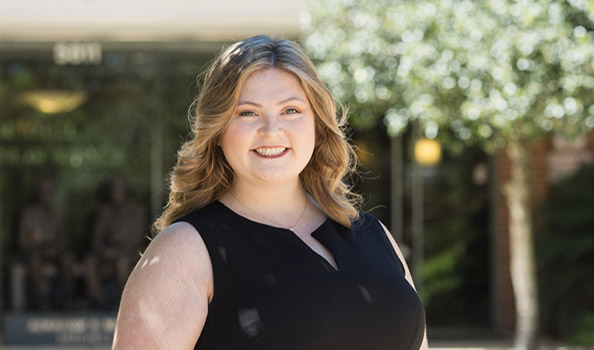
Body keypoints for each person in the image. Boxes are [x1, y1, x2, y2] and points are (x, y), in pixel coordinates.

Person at [113, 35, 428, 349]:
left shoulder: (374, 235)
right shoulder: (185, 251)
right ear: (218, 131)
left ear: (317, 125)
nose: (271, 130)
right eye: (247, 113)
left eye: (291, 110)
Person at [10, 179, 74, 310]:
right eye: (43, 191)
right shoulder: (28, 214)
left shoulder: (59, 214)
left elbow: (64, 240)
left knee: (68, 261)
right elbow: (22, 242)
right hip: (35, 253)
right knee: (35, 262)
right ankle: (41, 300)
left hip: (56, 253)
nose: (46, 194)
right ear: (37, 193)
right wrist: (37, 249)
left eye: (49, 191)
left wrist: (55, 250)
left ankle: (66, 298)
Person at [84, 176, 147, 308]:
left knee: (122, 263)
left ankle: (123, 302)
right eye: (113, 189)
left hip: (130, 253)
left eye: (119, 189)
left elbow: (138, 238)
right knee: (90, 262)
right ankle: (99, 301)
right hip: (107, 252)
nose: (116, 192)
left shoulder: (137, 211)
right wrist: (103, 251)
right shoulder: (104, 212)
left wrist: (118, 251)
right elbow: (96, 238)